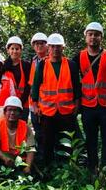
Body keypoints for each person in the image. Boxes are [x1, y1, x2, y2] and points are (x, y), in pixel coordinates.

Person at [73, 22, 106, 175]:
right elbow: (72, 79)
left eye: (96, 34)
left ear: (101, 37)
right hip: (88, 106)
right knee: (91, 140)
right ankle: (92, 169)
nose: (93, 37)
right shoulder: (78, 57)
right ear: (85, 36)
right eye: (90, 34)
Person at [30, 33, 82, 163]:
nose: (55, 49)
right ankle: (47, 169)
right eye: (52, 47)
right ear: (48, 48)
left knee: (67, 141)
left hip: (66, 111)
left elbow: (76, 87)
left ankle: (68, 167)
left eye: (58, 47)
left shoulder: (71, 65)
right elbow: (35, 87)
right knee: (47, 142)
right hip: (47, 112)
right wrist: (35, 105)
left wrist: (77, 105)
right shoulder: (42, 65)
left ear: (63, 48)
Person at [0, 97, 35, 174]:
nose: (12, 113)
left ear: (20, 113)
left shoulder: (26, 127)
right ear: (5, 112)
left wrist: (28, 166)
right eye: (9, 110)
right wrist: (5, 158)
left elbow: (30, 149)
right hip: (3, 157)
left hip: (20, 159)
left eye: (15, 110)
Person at [3, 36, 31, 121]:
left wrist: (20, 102)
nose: (14, 51)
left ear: (21, 50)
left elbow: (28, 85)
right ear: (8, 50)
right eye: (12, 48)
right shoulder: (3, 66)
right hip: (8, 104)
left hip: (24, 103)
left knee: (21, 128)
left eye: (17, 49)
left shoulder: (26, 65)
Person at [28, 32, 48, 148]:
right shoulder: (33, 61)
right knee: (38, 132)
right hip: (33, 103)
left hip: (46, 103)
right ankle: (40, 156)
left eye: (42, 43)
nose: (39, 46)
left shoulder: (50, 61)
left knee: (48, 132)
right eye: (36, 43)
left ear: (47, 45)